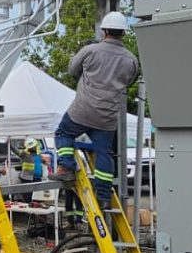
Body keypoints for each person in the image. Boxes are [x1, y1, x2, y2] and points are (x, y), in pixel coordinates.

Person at [53, 12, 140, 206]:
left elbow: (72, 71)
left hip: (83, 110)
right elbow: (128, 82)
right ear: (123, 33)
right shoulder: (131, 60)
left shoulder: (90, 51)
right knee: (104, 153)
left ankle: (67, 167)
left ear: (105, 30)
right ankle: (103, 196)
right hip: (108, 117)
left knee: (63, 132)